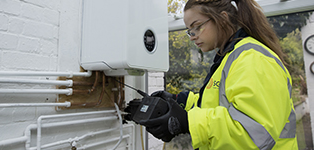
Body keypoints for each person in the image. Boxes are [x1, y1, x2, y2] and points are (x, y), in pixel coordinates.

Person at [124, 0, 298, 149]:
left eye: (197, 27)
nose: (192, 36)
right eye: (189, 31)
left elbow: (253, 134)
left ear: (223, 18)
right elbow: (219, 102)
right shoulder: (230, 57)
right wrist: (180, 100)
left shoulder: (253, 59)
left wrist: (188, 122)